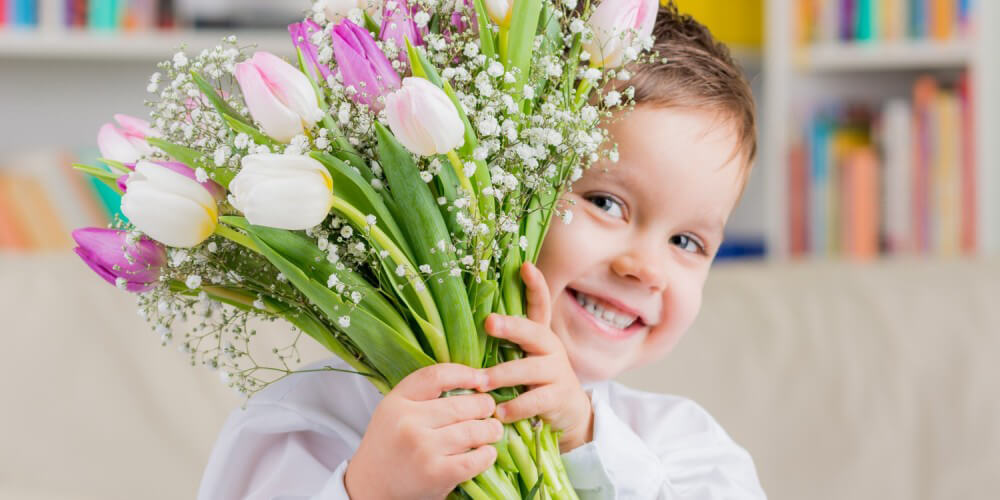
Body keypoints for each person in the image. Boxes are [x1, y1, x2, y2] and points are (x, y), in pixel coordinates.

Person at [198, 4, 765, 499]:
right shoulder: (314, 416)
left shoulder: (681, 446)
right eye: (606, 203)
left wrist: (582, 441)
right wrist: (367, 489)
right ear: (501, 183)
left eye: (687, 242)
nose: (643, 268)